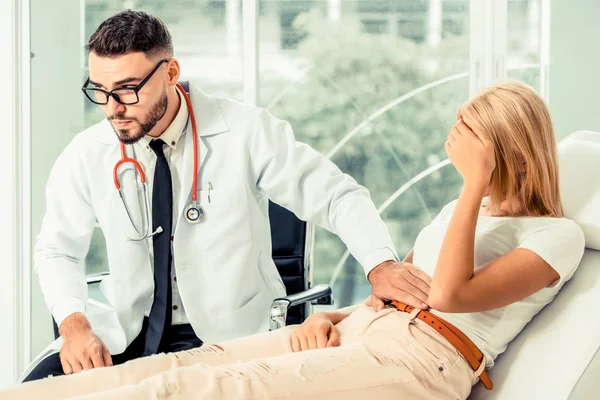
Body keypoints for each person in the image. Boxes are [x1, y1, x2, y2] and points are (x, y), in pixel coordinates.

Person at [4, 79, 585, 399]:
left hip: (421, 358)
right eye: (100, 90)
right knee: (142, 375)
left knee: (191, 388)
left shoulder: (557, 236)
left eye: (468, 142)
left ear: (505, 150)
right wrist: (329, 319)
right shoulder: (457, 219)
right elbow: (394, 300)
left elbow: (451, 297)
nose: (113, 105)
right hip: (360, 332)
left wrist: (471, 187)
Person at [22, 10, 432, 382]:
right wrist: (74, 325)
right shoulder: (88, 152)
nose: (113, 109)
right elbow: (57, 250)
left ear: (170, 72)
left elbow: (337, 196)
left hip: (230, 340)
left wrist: (380, 265)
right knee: (37, 386)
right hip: (130, 337)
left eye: (128, 89)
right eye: (100, 90)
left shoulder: (245, 131)